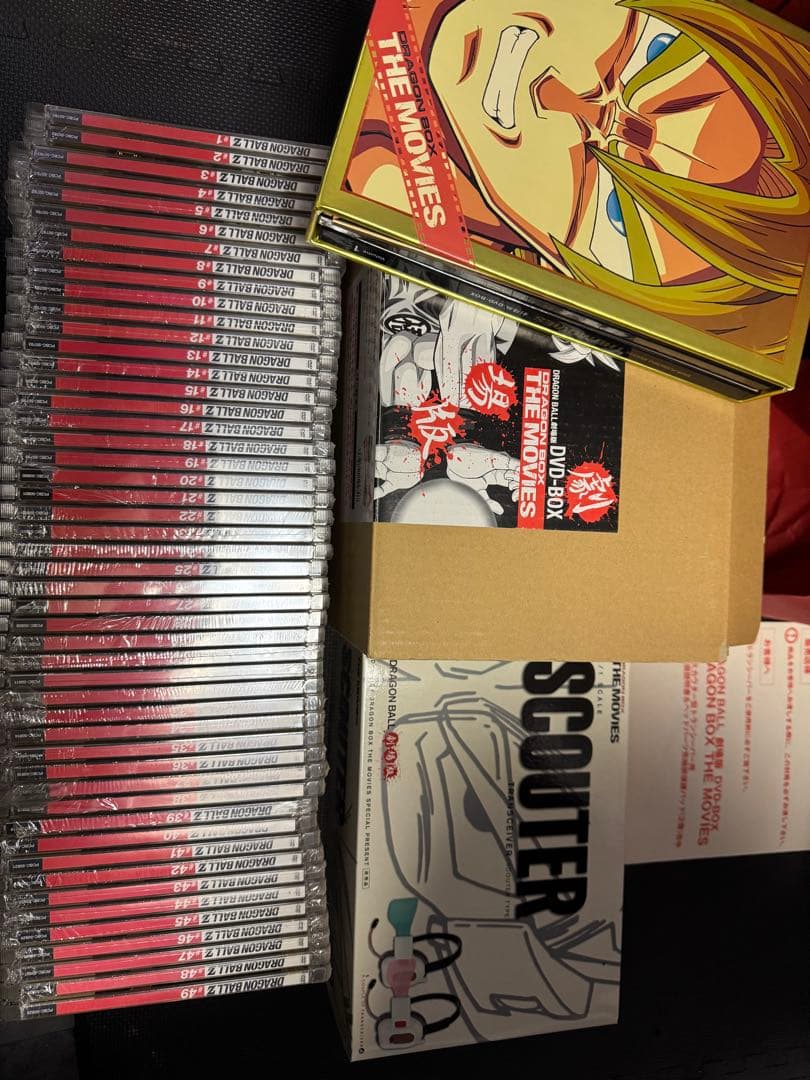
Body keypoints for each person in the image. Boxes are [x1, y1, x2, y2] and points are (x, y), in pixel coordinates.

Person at [347, 1, 810, 357]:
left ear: (552, 269)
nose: (563, 98)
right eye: (655, 51)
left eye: (616, 214)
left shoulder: (383, 189)